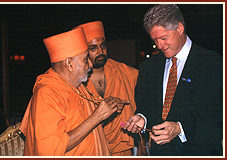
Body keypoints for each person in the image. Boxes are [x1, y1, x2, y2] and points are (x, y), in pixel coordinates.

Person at [122, 4, 223, 156]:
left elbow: (218, 116)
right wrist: (142, 118)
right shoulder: (148, 68)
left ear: (180, 28)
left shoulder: (213, 63)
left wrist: (180, 128)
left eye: (164, 38)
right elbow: (145, 106)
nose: (160, 45)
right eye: (155, 39)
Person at [19, 27, 129, 156]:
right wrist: (97, 116)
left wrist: (108, 109)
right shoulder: (47, 94)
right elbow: (52, 149)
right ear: (69, 63)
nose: (91, 65)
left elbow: (84, 126)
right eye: (85, 59)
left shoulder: (78, 87)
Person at [74, 21, 139, 156]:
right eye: (93, 48)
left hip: (121, 150)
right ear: (83, 51)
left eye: (103, 46)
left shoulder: (124, 73)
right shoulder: (75, 80)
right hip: (88, 149)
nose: (100, 51)